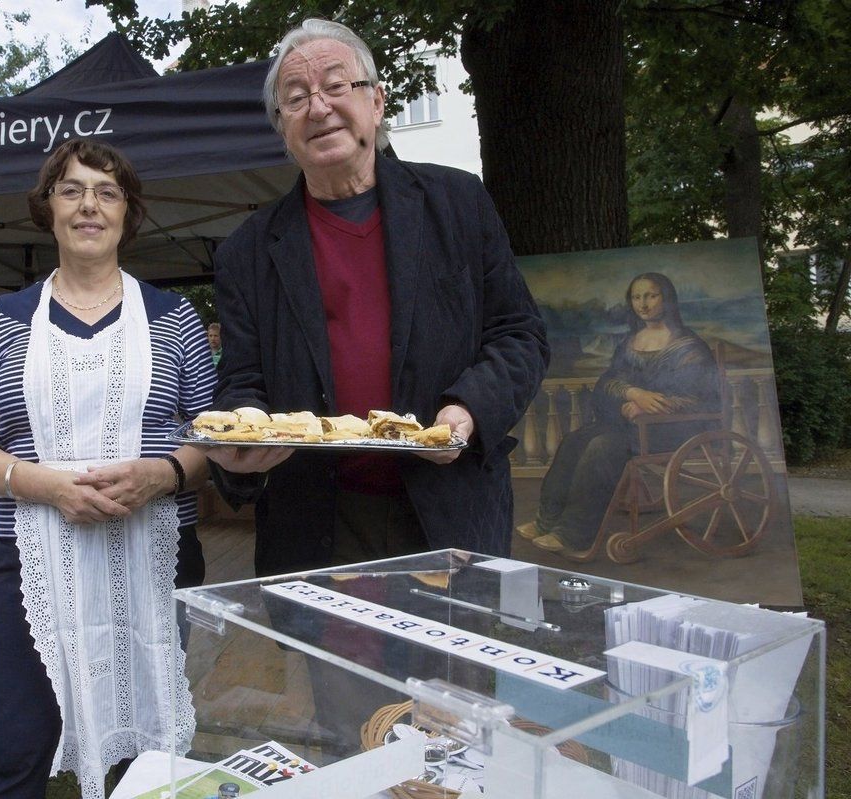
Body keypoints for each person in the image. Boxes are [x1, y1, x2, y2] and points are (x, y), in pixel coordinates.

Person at [207, 18, 549, 577]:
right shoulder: (247, 251)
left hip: (450, 509)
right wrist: (243, 443)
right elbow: (243, 380)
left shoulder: (457, 204)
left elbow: (518, 335)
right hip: (320, 524)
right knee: (338, 667)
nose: (318, 108)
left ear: (377, 102)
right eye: (296, 98)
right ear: (282, 128)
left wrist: (466, 413)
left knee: (459, 664)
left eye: (337, 86)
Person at [0, 139, 216, 799]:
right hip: (32, 561)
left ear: (128, 213)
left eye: (108, 191)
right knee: (9, 751)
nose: (89, 204)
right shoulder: (0, 320)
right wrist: (46, 486)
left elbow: (216, 439)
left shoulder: (174, 319)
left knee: (151, 758)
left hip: (153, 559)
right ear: (48, 209)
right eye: (72, 190)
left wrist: (164, 474)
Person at [519, 272, 720, 556]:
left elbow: (699, 398)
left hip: (670, 430)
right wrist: (631, 394)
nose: (644, 304)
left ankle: (572, 534)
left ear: (667, 299)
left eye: (651, 295)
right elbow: (608, 383)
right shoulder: (629, 342)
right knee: (573, 441)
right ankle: (547, 521)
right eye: (637, 297)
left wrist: (652, 405)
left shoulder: (689, 347)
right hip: (630, 426)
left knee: (602, 447)